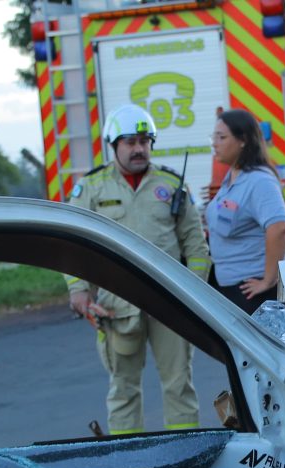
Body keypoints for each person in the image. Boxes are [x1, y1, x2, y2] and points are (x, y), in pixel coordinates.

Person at [66, 104, 211, 435]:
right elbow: (73, 246)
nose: (138, 149)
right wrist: (78, 289)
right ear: (113, 145)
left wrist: (194, 294)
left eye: (144, 141)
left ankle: (183, 450)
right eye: (129, 142)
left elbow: (196, 246)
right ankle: (128, 459)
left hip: (170, 303)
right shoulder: (91, 188)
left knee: (179, 385)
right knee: (123, 389)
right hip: (117, 306)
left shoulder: (172, 185)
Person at [206, 109, 285, 314]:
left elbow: (279, 227)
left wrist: (268, 280)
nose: (215, 143)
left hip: (254, 293)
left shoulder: (259, 180)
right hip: (233, 288)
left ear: (243, 140)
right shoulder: (233, 177)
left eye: (222, 137)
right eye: (213, 137)